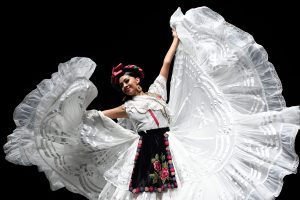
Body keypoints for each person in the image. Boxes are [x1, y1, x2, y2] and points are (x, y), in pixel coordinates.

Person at [3, 6, 299, 200]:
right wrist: (75, 113)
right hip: (147, 149)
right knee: (152, 192)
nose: (126, 84)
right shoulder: (128, 108)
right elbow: (98, 117)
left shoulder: (156, 93)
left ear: (137, 79)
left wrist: (176, 37)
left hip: (173, 142)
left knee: (189, 184)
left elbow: (166, 64)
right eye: (122, 84)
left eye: (128, 80)